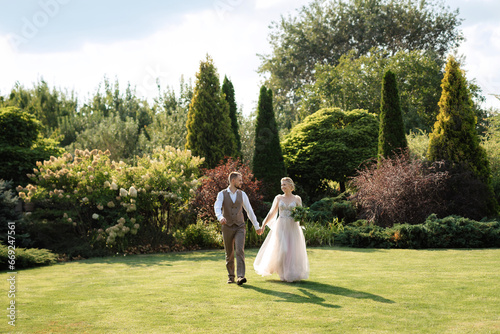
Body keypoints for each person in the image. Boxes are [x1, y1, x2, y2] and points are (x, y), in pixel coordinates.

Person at [253, 177, 309, 282]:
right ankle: (282, 273)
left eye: (284, 185)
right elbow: (272, 213)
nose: (282, 187)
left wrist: (301, 218)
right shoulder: (278, 198)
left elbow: (301, 213)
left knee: (292, 251)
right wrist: (263, 224)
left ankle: (289, 274)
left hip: (293, 227)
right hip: (281, 226)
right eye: (281, 185)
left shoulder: (297, 199)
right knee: (283, 250)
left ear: (290, 186)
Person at [214, 171, 261, 285]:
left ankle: (241, 276)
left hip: (240, 226)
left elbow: (249, 211)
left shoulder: (242, 194)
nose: (242, 182)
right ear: (233, 181)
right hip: (227, 226)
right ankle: (231, 276)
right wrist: (220, 217)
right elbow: (217, 207)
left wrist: (256, 226)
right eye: (240, 180)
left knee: (240, 250)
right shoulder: (222, 194)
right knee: (229, 253)